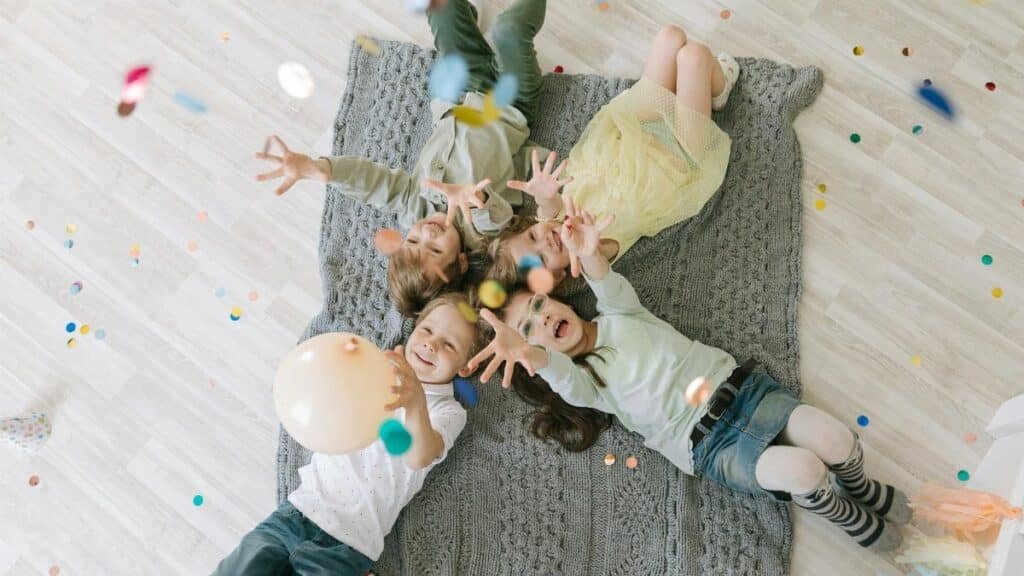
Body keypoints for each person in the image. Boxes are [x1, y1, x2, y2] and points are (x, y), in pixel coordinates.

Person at [467, 202, 911, 551]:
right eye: (531, 329)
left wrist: (585, 249)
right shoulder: (585, 385)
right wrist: (526, 351)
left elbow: (604, 278)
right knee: (805, 471)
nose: (543, 321)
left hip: (745, 393)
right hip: (709, 445)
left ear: (560, 300)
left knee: (838, 442)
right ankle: (844, 515)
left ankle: (861, 487)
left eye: (541, 307)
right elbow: (558, 374)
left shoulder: (619, 312)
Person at [255, 0, 551, 316]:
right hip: (510, 104)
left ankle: (464, 15)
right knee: (510, 30)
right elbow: (497, 216)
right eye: (436, 248)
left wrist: (321, 169)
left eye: (413, 241)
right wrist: (474, 196)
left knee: (443, 10)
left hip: (461, 94)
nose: (428, 232)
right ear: (461, 261)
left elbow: (374, 183)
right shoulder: (479, 235)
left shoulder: (415, 209)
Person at [212, 293, 490, 574]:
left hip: (348, 547)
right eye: (427, 330)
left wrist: (416, 400)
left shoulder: (448, 411)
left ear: (466, 366)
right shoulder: (377, 369)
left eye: (449, 345)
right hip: (296, 513)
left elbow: (420, 456)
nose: (431, 344)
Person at [485, 25, 740, 287]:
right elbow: (598, 264)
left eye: (531, 237)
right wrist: (589, 249)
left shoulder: (555, 218)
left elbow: (548, 208)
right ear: (557, 276)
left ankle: (682, 95)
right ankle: (719, 90)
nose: (546, 242)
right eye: (541, 259)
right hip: (678, 155)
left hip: (635, 128)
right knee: (693, 57)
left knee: (670, 37)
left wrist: (544, 196)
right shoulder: (588, 253)